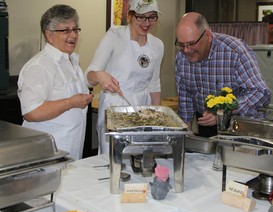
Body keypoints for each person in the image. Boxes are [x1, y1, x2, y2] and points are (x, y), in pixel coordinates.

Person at [85, 0, 164, 154]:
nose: (146, 23)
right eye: (141, 17)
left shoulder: (157, 45)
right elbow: (89, 75)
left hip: (143, 109)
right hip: (115, 106)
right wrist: (100, 76)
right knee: (114, 159)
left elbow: (154, 84)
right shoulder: (115, 36)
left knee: (140, 157)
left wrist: (156, 120)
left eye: (152, 17)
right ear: (130, 16)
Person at [175, 12, 271, 137]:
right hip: (206, 123)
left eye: (191, 44)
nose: (186, 50)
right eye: (182, 45)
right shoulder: (181, 58)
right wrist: (186, 136)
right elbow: (185, 98)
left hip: (238, 124)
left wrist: (224, 111)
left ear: (208, 36)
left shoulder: (235, 52)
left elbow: (261, 93)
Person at [17, 4, 94, 160]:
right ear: (49, 35)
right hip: (46, 155)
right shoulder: (40, 66)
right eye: (65, 30)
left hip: (70, 150)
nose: (73, 35)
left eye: (75, 29)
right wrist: (70, 103)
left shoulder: (71, 62)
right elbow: (32, 112)